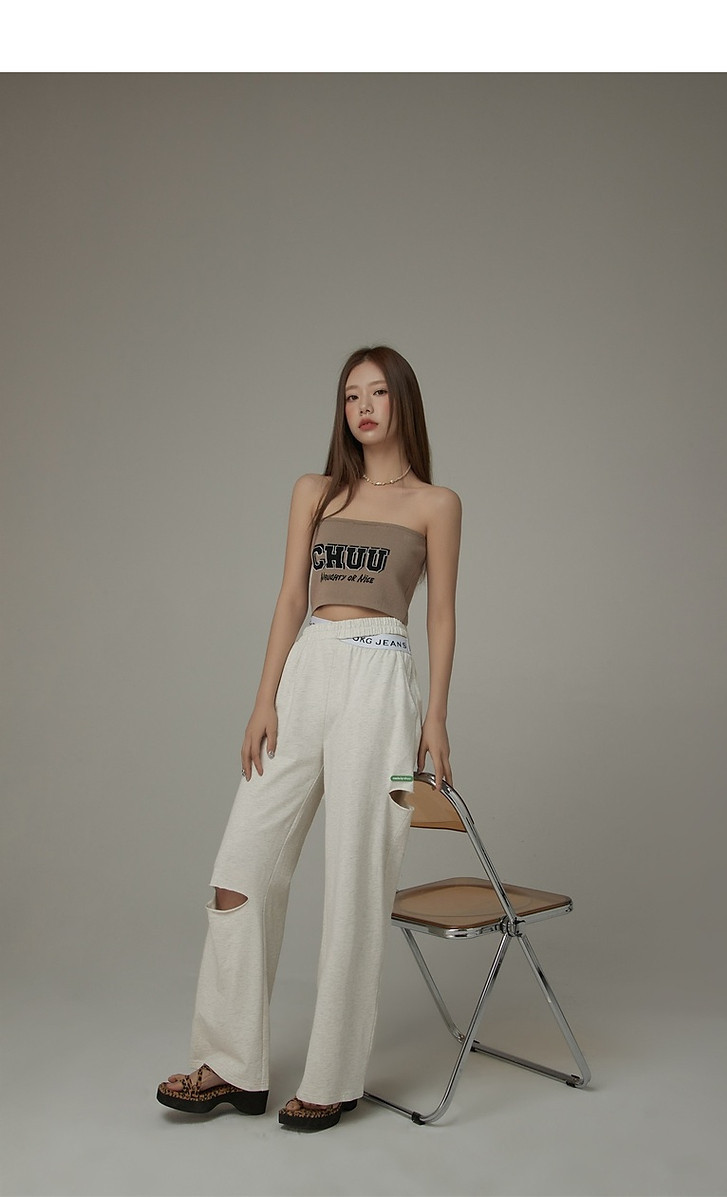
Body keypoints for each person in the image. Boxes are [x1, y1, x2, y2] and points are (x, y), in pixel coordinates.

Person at [157, 345, 461, 1132]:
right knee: (241, 869)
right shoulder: (315, 491)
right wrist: (264, 696)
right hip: (308, 667)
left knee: (357, 882)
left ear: (402, 402)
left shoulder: (436, 504)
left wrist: (435, 717)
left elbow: (440, 614)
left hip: (381, 673)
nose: (363, 407)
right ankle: (231, 1065)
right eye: (351, 394)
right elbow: (291, 596)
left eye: (378, 393)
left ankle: (333, 1077)